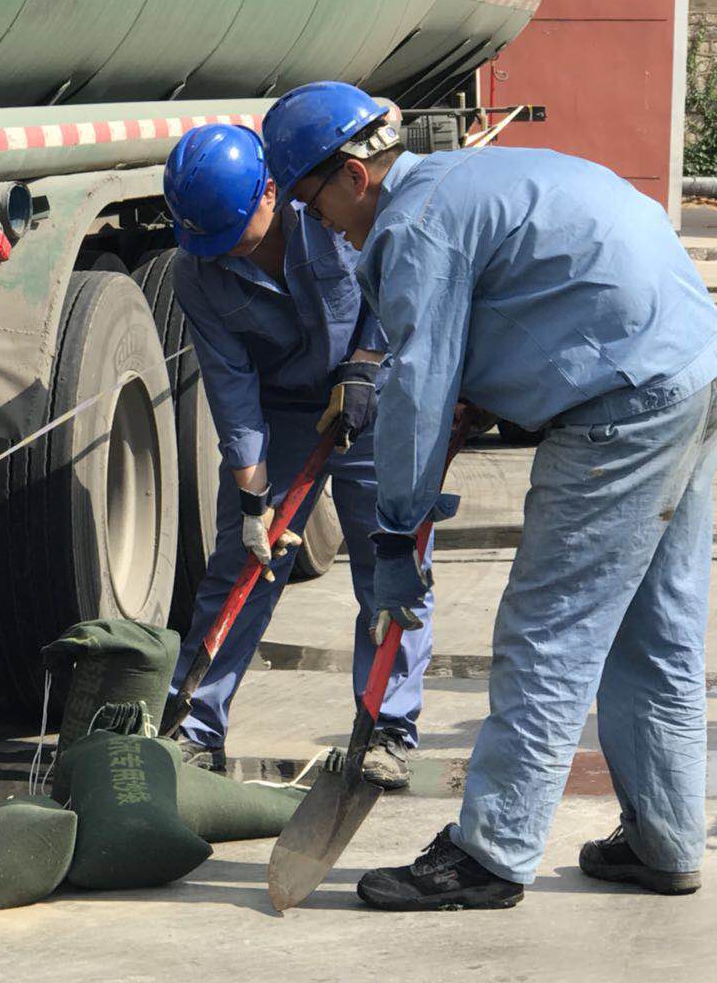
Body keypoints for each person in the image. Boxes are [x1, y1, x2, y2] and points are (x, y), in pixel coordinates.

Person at [263, 81, 717, 910]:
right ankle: (667, 839)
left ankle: (490, 854)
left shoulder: (412, 225)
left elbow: (418, 389)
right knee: (657, 631)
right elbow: (522, 301)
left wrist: (396, 534)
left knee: (548, 633)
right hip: (689, 366)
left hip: (621, 401)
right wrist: (489, 387)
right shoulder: (463, 181)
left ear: (354, 176)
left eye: (309, 198)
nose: (315, 221)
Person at [161, 121, 434, 790]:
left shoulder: (333, 211)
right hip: (284, 409)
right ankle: (195, 727)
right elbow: (229, 381)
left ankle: (385, 728)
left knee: (391, 560)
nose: (232, 257)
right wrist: (254, 493)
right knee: (243, 565)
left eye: (242, 240)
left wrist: (368, 366)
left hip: (373, 392)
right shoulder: (197, 272)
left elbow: (392, 276)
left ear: (272, 194)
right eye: (216, 247)